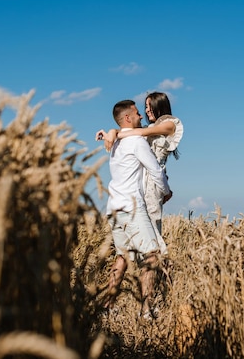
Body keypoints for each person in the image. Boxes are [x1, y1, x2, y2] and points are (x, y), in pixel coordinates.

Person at [102, 99, 173, 318]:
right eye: (136, 114)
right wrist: (166, 191)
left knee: (123, 256)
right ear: (127, 118)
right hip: (132, 208)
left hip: (113, 208)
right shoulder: (137, 143)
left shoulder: (115, 143)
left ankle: (107, 306)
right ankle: (147, 309)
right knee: (152, 255)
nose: (141, 116)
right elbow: (155, 171)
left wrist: (113, 132)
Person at [96, 92, 183, 255]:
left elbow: (137, 132)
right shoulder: (145, 129)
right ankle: (155, 273)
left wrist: (114, 133)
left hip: (154, 183)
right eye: (145, 107)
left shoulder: (171, 124)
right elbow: (131, 128)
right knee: (144, 241)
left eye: (150, 107)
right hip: (143, 182)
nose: (146, 111)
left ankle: (158, 274)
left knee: (153, 231)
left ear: (160, 106)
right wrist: (113, 131)